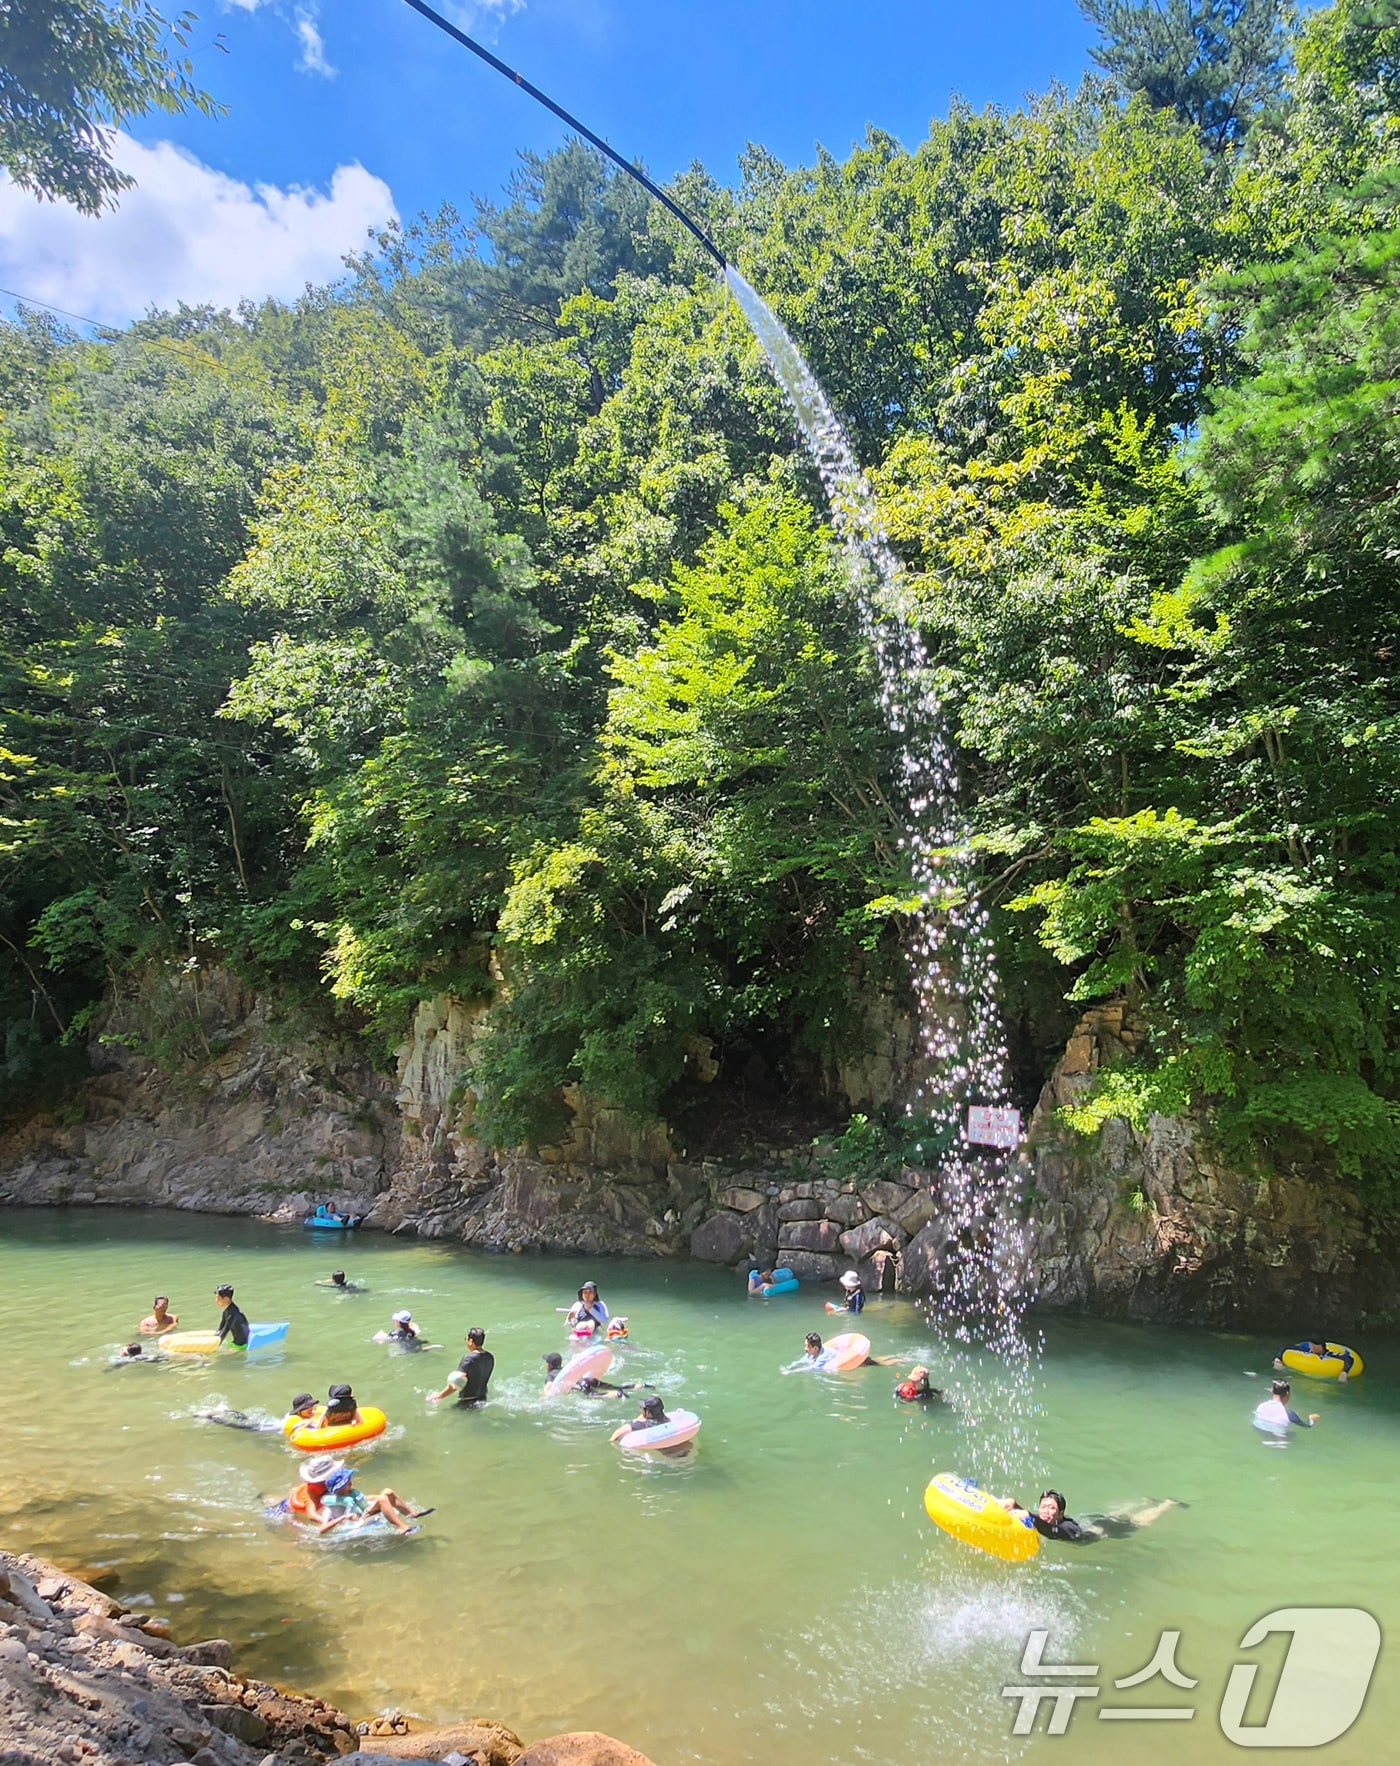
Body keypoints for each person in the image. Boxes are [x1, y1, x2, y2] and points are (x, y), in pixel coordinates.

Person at [284, 1455, 429, 1536]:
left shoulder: (340, 1487)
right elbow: (312, 1515)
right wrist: (338, 1520)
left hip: (359, 1511)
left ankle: (412, 1514)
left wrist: (369, 1499)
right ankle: (404, 1528)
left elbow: (357, 1498)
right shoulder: (317, 1492)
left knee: (387, 1492)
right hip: (351, 1518)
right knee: (382, 1498)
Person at [1000, 1489, 1180, 1543]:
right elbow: (1039, 1521)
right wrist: (1015, 1504)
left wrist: (1028, 1515)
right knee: (1114, 1514)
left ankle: (1167, 1503)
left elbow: (1046, 1528)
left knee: (1138, 1522)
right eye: (1043, 1507)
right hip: (1093, 1522)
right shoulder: (1049, 1521)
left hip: (1104, 1531)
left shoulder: (1065, 1528)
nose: (1046, 1511)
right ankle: (1145, 1500)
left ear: (1060, 1513)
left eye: (1051, 1508)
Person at [430, 1327, 494, 1406]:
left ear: (470, 1341)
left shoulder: (469, 1359)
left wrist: (437, 1396)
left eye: (466, 1339)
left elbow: (456, 1383)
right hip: (482, 1399)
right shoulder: (490, 1357)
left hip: (467, 1402)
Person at [784, 1331, 899, 1373]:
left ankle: (898, 1360)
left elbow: (813, 1369)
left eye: (807, 1346)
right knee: (874, 1361)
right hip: (850, 1357)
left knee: (876, 1364)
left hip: (854, 1361)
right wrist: (790, 1367)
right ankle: (897, 1358)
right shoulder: (814, 1352)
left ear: (815, 1348)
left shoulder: (822, 1357)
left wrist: (792, 1373)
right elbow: (802, 1360)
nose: (805, 1349)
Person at [542, 1351, 635, 1397]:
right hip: (587, 1380)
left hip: (581, 1386)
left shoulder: (551, 1376)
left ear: (548, 1365)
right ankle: (637, 1386)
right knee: (617, 1386)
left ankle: (615, 1395)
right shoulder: (565, 1369)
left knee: (597, 1396)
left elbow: (548, 1392)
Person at [1255, 1379, 1320, 1433]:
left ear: (1272, 1391)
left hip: (1261, 1433)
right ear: (1287, 1394)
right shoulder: (1288, 1414)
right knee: (1293, 1434)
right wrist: (1312, 1419)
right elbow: (1307, 1426)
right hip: (1280, 1439)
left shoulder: (1261, 1406)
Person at [1274, 1339, 1354, 1383]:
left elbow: (1349, 1358)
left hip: (1324, 1380)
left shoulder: (1330, 1354)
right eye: (1311, 1344)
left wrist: (1344, 1372)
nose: (1313, 1347)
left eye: (1315, 1345)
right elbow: (1286, 1347)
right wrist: (1278, 1359)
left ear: (1321, 1346)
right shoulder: (1307, 1350)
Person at [214, 1284, 249, 1348]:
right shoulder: (226, 1311)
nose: (216, 1300)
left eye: (218, 1298)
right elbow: (220, 1329)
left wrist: (210, 1348)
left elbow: (223, 1334)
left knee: (208, 1357)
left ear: (226, 1299)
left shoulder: (233, 1314)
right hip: (235, 1343)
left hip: (241, 1346)